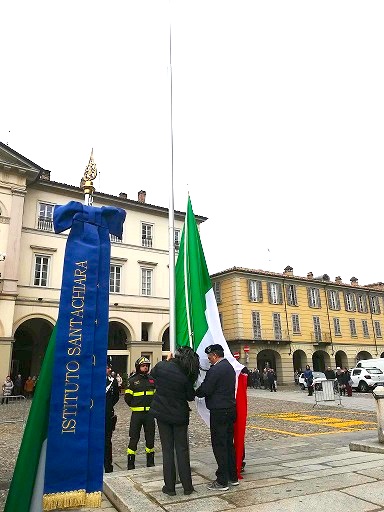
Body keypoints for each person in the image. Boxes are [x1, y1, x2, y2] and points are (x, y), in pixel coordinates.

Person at [150, 347, 200, 496]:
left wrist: (167, 361)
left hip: (162, 414)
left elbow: (153, 378)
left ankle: (170, 487)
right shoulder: (186, 374)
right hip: (180, 416)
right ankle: (187, 487)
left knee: (167, 450)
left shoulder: (162, 366)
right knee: (182, 450)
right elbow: (190, 396)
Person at [195, 344, 237, 491]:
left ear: (214, 355)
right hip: (230, 409)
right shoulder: (229, 367)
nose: (209, 359)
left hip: (219, 412)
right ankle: (233, 476)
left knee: (219, 445)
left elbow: (206, 389)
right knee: (228, 444)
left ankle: (222, 480)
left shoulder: (216, 369)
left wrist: (195, 392)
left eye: (209, 357)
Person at [124, 356, 156, 470]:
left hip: (149, 415)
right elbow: (127, 398)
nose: (145, 367)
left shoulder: (152, 380)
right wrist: (134, 406)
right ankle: (131, 463)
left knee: (150, 438)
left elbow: (155, 396)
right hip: (137, 415)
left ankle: (150, 462)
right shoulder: (132, 381)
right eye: (143, 366)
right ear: (138, 367)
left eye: (147, 366)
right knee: (134, 438)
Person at [105, 365, 119, 473]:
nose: (109, 369)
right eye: (106, 367)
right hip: (95, 415)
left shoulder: (113, 381)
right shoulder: (95, 380)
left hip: (108, 415)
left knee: (107, 441)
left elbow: (116, 397)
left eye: (109, 367)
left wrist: (108, 406)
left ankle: (108, 466)